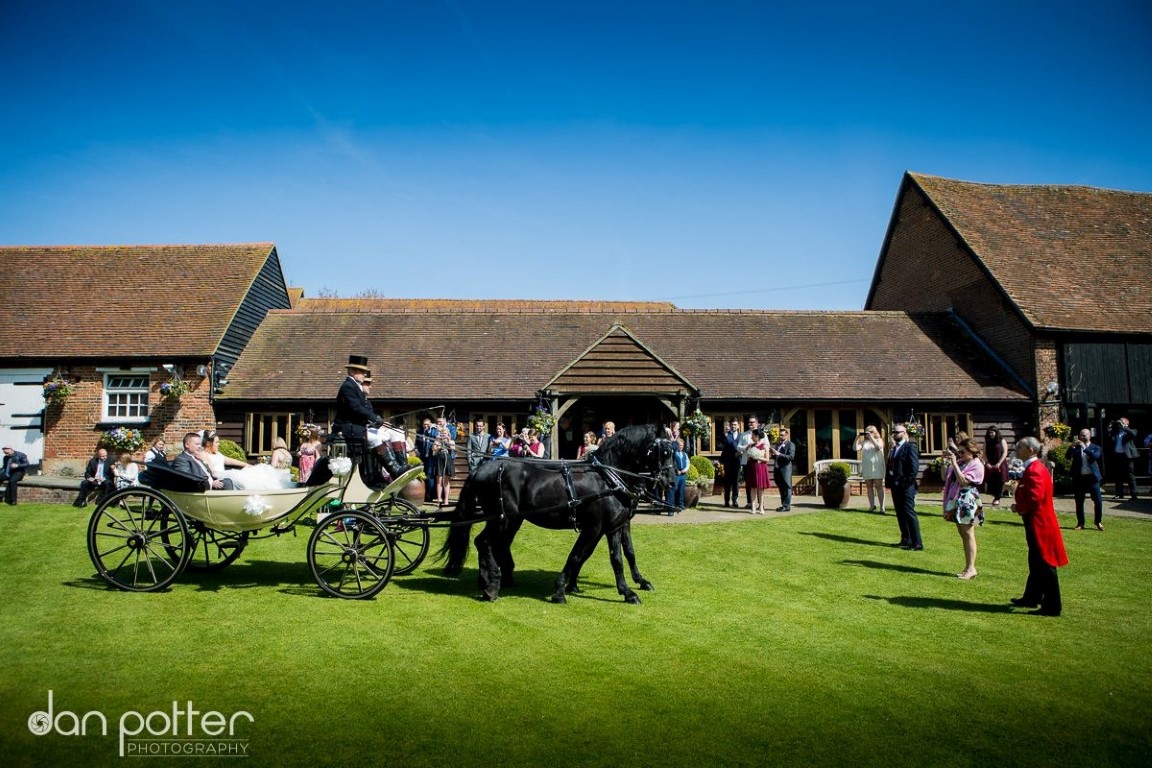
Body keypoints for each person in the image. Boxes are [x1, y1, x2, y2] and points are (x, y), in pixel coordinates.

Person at [1010, 436, 1068, 616]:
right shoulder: (1034, 467)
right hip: (1036, 520)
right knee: (1035, 561)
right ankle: (1032, 597)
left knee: (1044, 562)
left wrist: (1018, 507)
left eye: (1019, 446)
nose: (1016, 449)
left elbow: (1035, 498)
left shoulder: (1035, 469)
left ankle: (1052, 606)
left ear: (1030, 450)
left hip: (1039, 522)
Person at [942, 438, 985, 579]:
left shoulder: (977, 465)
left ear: (972, 451)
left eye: (962, 452)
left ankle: (971, 568)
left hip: (967, 500)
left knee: (968, 534)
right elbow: (945, 477)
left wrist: (954, 463)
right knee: (963, 534)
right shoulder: (962, 462)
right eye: (958, 451)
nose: (959, 454)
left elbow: (964, 481)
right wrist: (945, 462)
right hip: (956, 500)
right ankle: (968, 567)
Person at [332, 354, 378, 457]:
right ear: (352, 372)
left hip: (357, 427)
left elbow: (363, 407)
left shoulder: (355, 387)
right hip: (348, 428)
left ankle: (396, 465)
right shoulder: (347, 386)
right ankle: (389, 468)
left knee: (387, 434)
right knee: (376, 438)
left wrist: (374, 420)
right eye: (361, 372)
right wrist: (374, 418)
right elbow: (356, 407)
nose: (364, 375)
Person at [885, 423, 922, 550]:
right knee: (900, 513)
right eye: (893, 432)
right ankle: (906, 539)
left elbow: (913, 469)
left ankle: (917, 542)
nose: (895, 434)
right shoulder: (893, 449)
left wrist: (905, 483)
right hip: (896, 486)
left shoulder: (909, 447)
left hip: (906, 486)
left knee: (909, 513)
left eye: (897, 432)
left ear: (904, 433)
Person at [1069, 428, 1104, 530]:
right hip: (1079, 478)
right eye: (1081, 435)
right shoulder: (1076, 448)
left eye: (1084, 435)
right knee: (1079, 501)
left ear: (1089, 436)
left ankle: (1098, 522)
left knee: (1098, 501)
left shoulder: (1095, 447)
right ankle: (1080, 523)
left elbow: (1095, 456)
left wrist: (1085, 447)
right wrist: (1072, 446)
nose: (1082, 437)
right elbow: (1067, 457)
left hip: (1092, 478)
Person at [854, 425, 886, 513]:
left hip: (877, 466)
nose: (868, 433)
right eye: (867, 432)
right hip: (867, 466)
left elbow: (878, 447)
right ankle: (872, 506)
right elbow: (855, 448)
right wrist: (857, 438)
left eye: (871, 431)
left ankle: (882, 507)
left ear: (875, 432)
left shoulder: (879, 440)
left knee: (879, 486)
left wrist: (871, 438)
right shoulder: (864, 442)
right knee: (869, 487)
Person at [1108, 417, 1139, 501]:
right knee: (1118, 476)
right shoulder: (1116, 432)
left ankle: (1134, 494)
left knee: (1130, 476)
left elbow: (1133, 434)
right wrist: (1110, 426)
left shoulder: (1132, 430)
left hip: (1127, 457)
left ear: (1126, 423)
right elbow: (1110, 435)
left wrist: (1124, 427)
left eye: (1121, 422)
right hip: (1118, 456)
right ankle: (1119, 493)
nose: (1119, 424)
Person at [743, 428, 772, 514]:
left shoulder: (764, 446)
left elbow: (767, 460)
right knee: (752, 488)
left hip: (760, 468)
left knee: (760, 488)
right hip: (751, 468)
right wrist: (749, 457)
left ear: (757, 436)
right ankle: (753, 507)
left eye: (753, 436)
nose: (751, 437)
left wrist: (758, 457)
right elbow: (748, 457)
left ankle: (761, 507)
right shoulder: (750, 445)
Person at [737, 416, 760, 508]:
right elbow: (738, 447)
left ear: (757, 423)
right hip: (746, 462)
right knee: (749, 483)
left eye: (752, 422)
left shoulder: (762, 434)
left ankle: (759, 503)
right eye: (749, 422)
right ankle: (750, 502)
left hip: (758, 463)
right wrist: (746, 446)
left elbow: (767, 446)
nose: (751, 424)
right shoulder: (744, 434)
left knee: (758, 483)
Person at [719, 419, 742, 508]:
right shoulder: (726, 435)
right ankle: (726, 501)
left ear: (738, 426)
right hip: (727, 461)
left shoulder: (741, 436)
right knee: (727, 482)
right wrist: (726, 435)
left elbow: (741, 447)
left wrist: (740, 452)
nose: (733, 426)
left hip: (737, 461)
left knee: (736, 482)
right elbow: (722, 445)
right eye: (732, 424)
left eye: (735, 424)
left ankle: (735, 501)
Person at [983, 427, 1009, 507]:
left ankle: (997, 498)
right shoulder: (986, 442)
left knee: (999, 481)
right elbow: (984, 453)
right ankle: (995, 496)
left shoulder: (1002, 441)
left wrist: (999, 463)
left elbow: (1005, 452)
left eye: (992, 432)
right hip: (990, 463)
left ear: (996, 432)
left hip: (1000, 463)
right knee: (991, 481)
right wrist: (987, 463)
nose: (991, 434)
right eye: (989, 433)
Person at [773, 426, 796, 512]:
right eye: (780, 435)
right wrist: (773, 454)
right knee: (781, 487)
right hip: (777, 468)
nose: (781, 437)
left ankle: (787, 506)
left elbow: (791, 457)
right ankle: (783, 504)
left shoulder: (791, 444)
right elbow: (777, 456)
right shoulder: (778, 444)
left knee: (787, 487)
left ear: (787, 436)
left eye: (783, 435)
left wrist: (779, 454)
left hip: (786, 468)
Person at [665, 438, 689, 514]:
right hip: (676, 475)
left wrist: (685, 470)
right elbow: (672, 463)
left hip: (683, 475)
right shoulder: (673, 454)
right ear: (677, 446)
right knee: (674, 490)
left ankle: (680, 505)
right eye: (679, 445)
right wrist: (676, 470)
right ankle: (672, 506)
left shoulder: (684, 454)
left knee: (681, 491)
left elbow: (688, 463)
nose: (681, 447)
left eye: (682, 445)